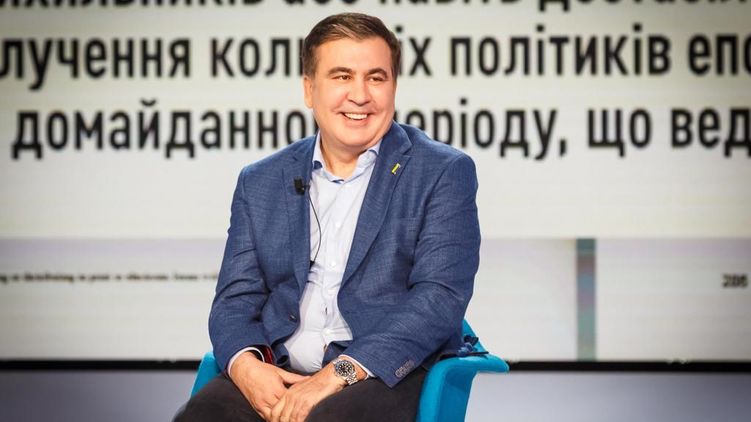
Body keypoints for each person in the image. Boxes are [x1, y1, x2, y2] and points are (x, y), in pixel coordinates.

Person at [176, 12, 480, 422]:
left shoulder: (441, 172)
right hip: (280, 369)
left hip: (380, 374)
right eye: (342, 76)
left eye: (376, 78)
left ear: (394, 86)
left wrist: (335, 375)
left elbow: (439, 298)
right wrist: (247, 368)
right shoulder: (260, 180)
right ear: (309, 89)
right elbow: (235, 300)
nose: (360, 95)